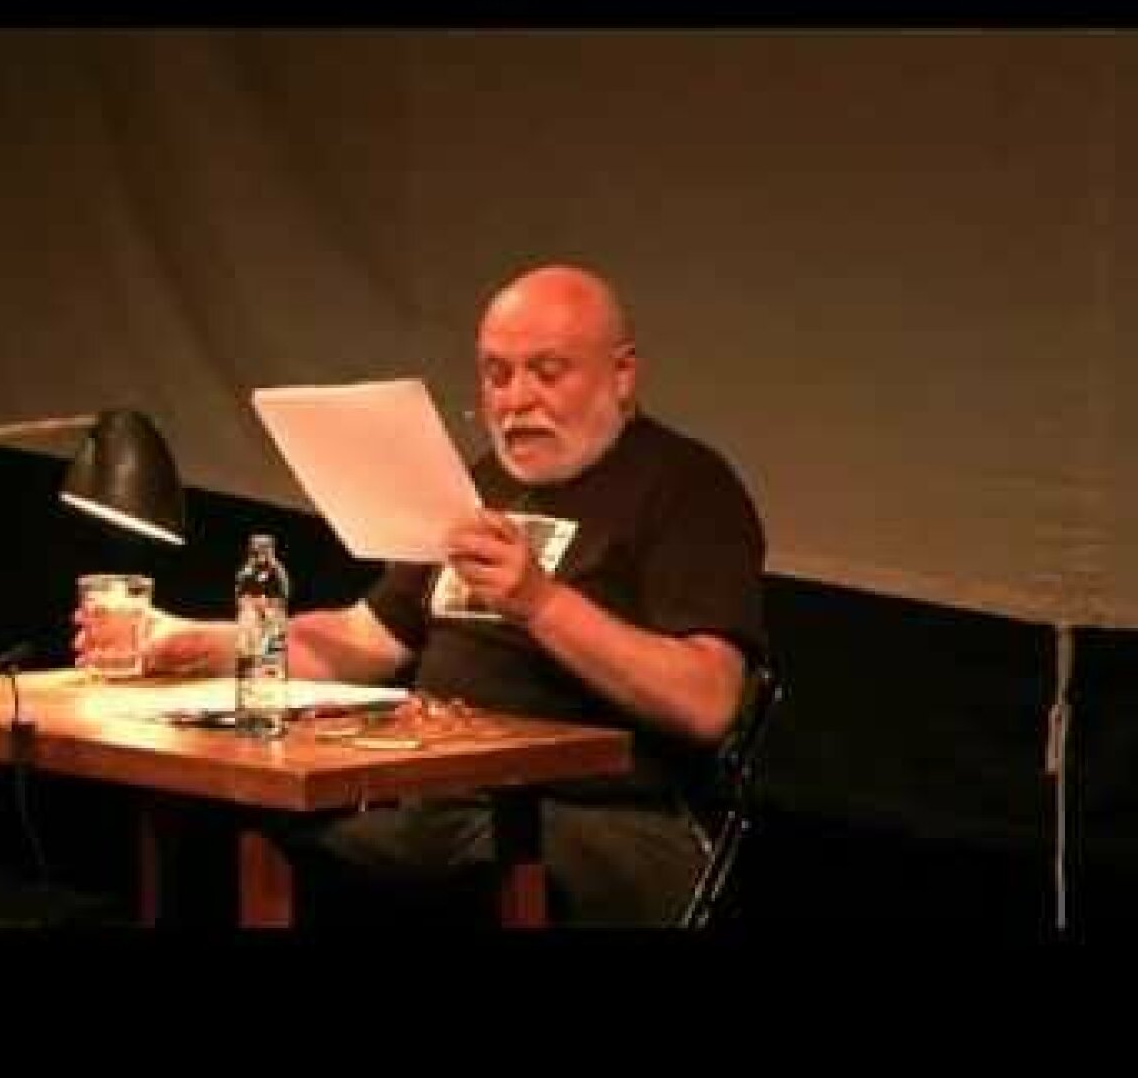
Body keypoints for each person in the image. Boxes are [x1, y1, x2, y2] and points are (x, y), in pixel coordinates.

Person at [84, 263, 767, 925]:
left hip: (602, 818)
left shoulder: (685, 487)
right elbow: (365, 639)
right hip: (447, 799)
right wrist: (192, 640)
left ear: (622, 375)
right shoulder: (480, 484)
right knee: (231, 837)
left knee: (424, 868)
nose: (516, 399)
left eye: (547, 371)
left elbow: (706, 701)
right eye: (497, 374)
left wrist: (540, 602)